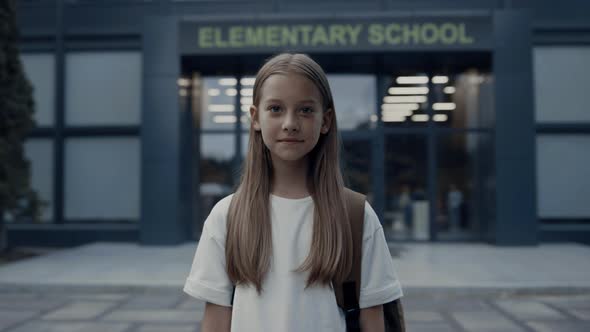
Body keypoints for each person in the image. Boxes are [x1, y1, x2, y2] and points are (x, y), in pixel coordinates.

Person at [183, 53, 403, 332]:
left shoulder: (356, 215)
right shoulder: (226, 216)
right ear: (255, 118)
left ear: (326, 120)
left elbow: (372, 319)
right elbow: (215, 322)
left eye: (306, 110)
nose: (290, 122)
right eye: (275, 108)